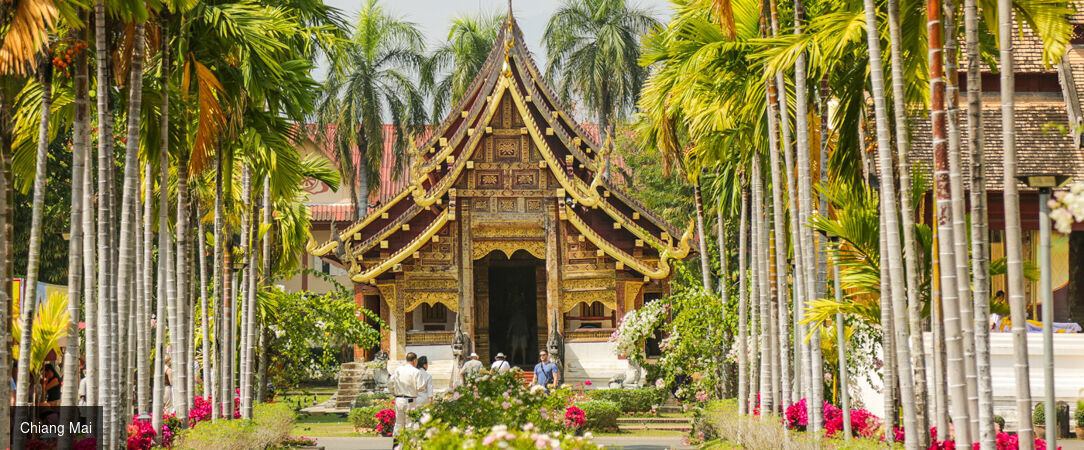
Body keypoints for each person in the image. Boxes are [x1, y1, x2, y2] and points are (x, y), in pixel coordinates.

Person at [388, 352, 424, 439]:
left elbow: (390, 383)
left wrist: (394, 393)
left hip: (399, 399)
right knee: (410, 423)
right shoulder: (416, 372)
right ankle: (409, 444)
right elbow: (421, 387)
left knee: (398, 423)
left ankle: (396, 445)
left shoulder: (398, 370)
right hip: (410, 399)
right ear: (415, 360)